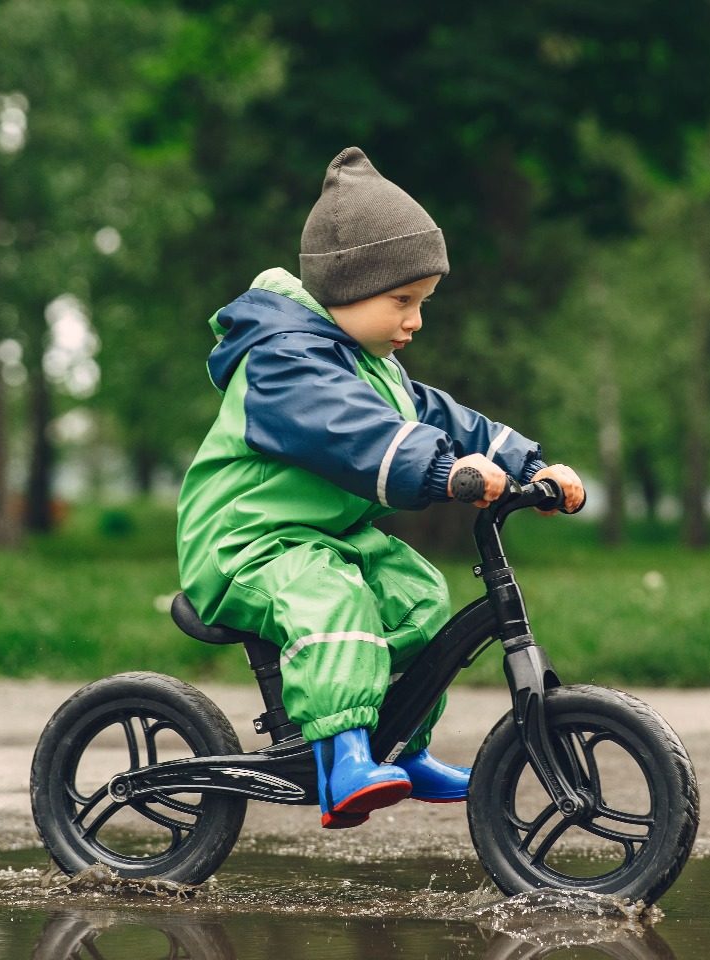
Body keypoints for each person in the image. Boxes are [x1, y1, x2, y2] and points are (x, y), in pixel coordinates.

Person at [177, 147, 585, 829]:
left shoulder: (374, 368)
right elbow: (352, 433)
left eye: (422, 303)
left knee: (417, 593)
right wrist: (440, 472)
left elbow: (441, 416)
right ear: (346, 288)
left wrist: (527, 465)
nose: (415, 320)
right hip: (245, 545)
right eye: (403, 301)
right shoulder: (283, 365)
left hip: (320, 537)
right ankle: (343, 763)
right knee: (333, 600)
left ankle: (403, 744)